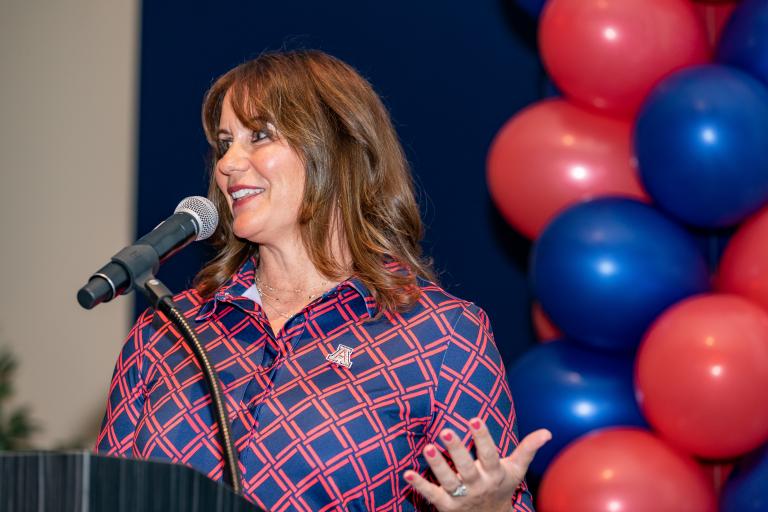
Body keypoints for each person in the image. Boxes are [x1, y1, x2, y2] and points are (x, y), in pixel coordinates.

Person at [95, 50, 550, 511]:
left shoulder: (440, 336)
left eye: (260, 136)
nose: (228, 163)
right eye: (224, 143)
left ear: (338, 148)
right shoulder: (170, 330)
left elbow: (480, 494)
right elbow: (104, 497)